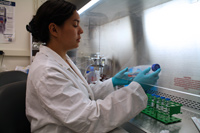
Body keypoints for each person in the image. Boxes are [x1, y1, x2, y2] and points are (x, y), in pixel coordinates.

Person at [26, 0, 161, 133]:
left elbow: (82, 95)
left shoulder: (61, 60)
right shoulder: (47, 71)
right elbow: (88, 119)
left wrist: (111, 83)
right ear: (54, 29)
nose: (81, 30)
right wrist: (136, 90)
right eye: (75, 25)